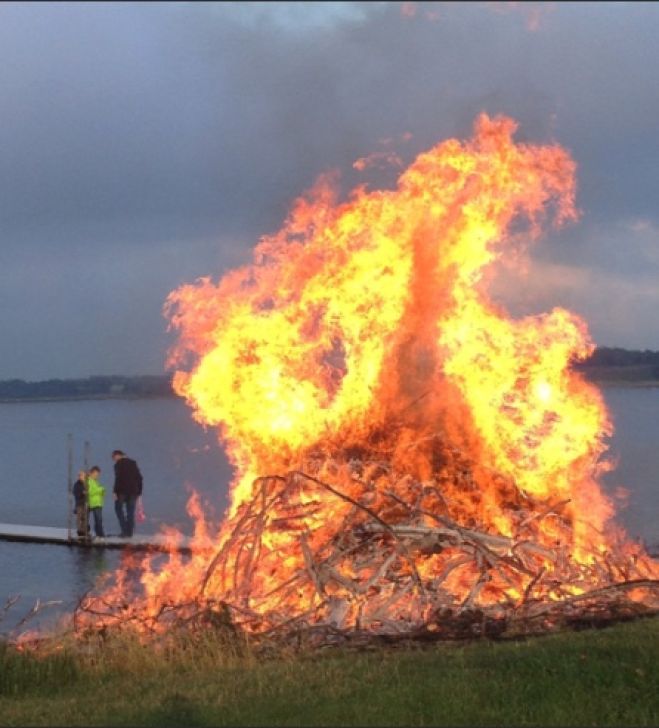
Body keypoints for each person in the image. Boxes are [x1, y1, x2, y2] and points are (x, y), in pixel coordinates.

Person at [112, 449, 143, 538]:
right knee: (130, 512)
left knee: (118, 509)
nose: (114, 460)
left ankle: (124, 531)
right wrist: (139, 492)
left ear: (118, 455)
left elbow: (118, 478)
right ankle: (130, 533)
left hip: (121, 491)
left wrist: (114, 491)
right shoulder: (133, 463)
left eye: (114, 457)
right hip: (133, 492)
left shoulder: (118, 464)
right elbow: (139, 478)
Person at [87, 466, 106, 539]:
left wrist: (103, 491)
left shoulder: (95, 481)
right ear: (91, 473)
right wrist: (101, 489)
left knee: (99, 519)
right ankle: (100, 534)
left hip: (98, 503)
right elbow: (90, 492)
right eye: (96, 474)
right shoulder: (89, 481)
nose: (97, 476)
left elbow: (99, 492)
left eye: (98, 475)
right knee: (98, 519)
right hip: (94, 503)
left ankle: (99, 534)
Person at [72, 469, 90, 540]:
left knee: (85, 517)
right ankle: (80, 531)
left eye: (81, 475)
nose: (80, 476)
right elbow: (75, 492)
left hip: (86, 504)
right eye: (79, 475)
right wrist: (82, 493)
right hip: (79, 503)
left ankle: (84, 530)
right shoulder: (77, 484)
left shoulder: (87, 483)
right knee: (79, 518)